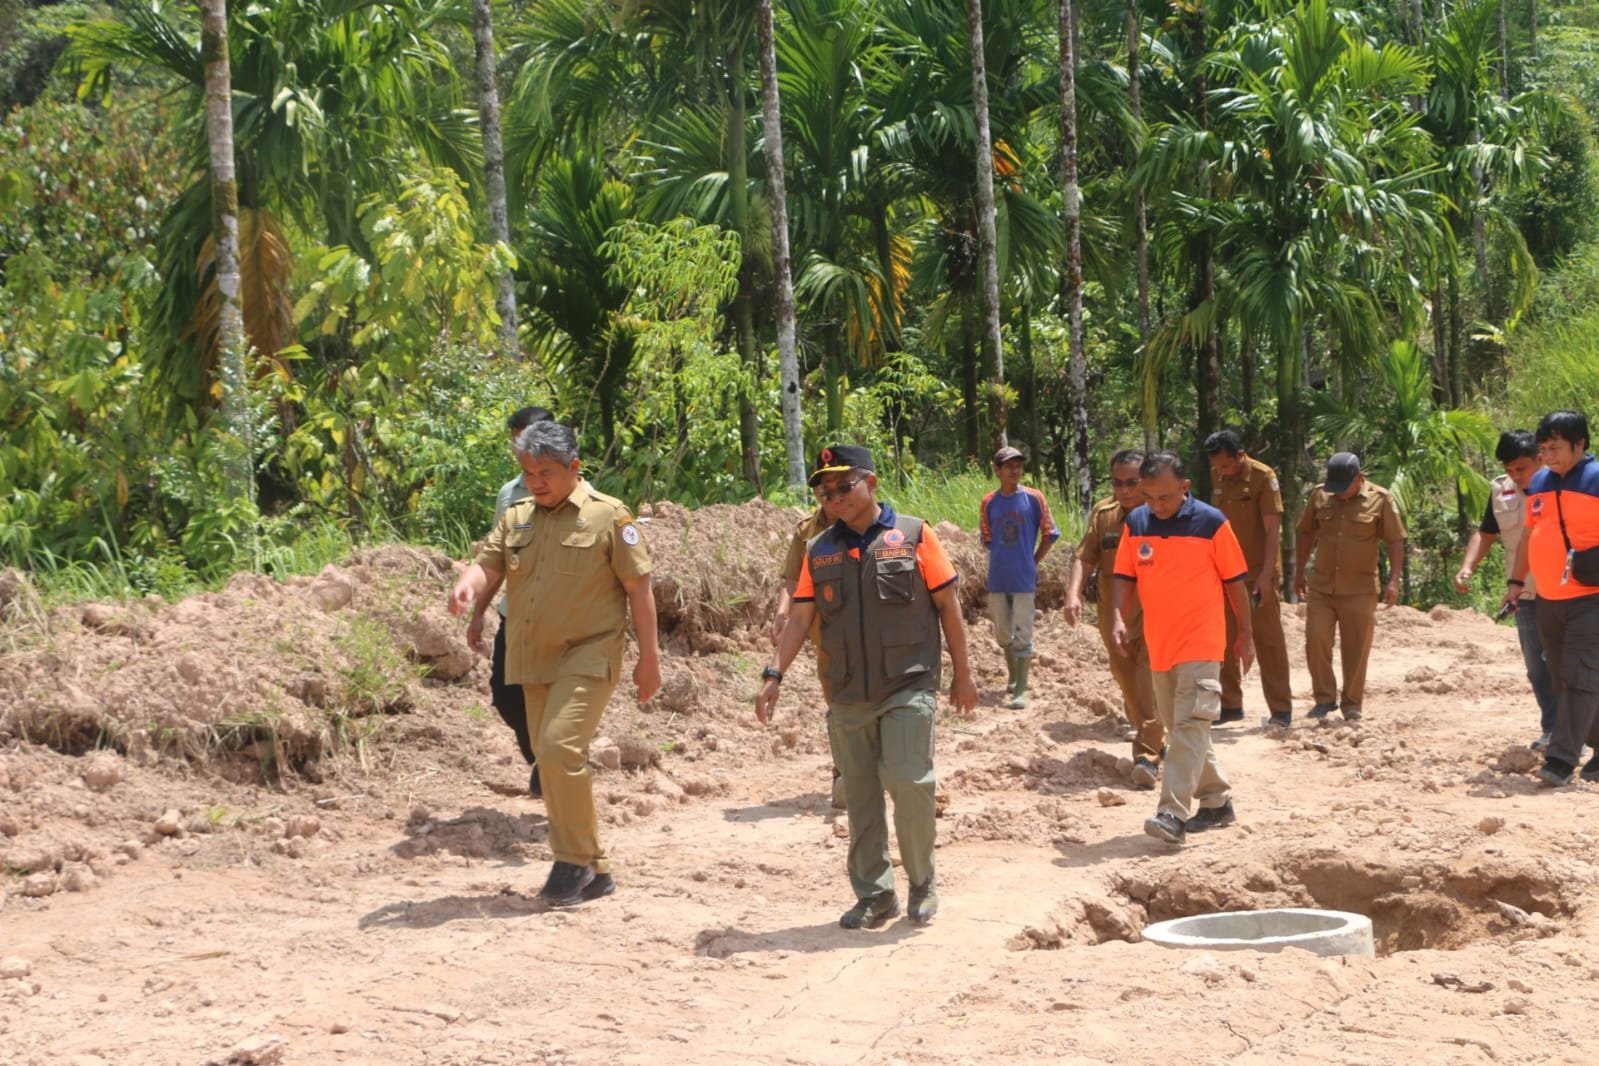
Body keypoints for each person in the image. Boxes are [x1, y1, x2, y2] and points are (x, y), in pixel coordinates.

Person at [755, 445, 978, 928]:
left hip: (908, 683)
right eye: (824, 491)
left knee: (907, 780)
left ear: (871, 483)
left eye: (843, 486)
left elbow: (948, 607)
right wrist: (774, 674)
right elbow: (800, 618)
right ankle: (875, 895)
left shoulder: (915, 535)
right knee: (859, 795)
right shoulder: (820, 550)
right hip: (847, 690)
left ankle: (922, 882)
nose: (834, 497)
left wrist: (963, 673)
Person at [448, 421, 662, 906]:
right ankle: (597, 867)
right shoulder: (518, 516)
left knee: (558, 745)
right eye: (527, 472)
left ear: (573, 468)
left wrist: (649, 659)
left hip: (589, 652)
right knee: (552, 756)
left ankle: (572, 861)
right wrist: (468, 582)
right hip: (532, 655)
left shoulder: (609, 517)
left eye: (546, 472)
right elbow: (489, 564)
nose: (536, 481)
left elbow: (639, 590)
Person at [1110, 451, 1253, 846]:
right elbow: (1124, 574)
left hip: (1202, 642)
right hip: (1161, 645)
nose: (1156, 506)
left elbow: (1235, 582)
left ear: (1185, 488)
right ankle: (1216, 800)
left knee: (1189, 725)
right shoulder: (1136, 523)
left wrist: (1246, 635)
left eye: (1165, 498)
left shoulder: (1211, 523)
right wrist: (1119, 617)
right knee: (1181, 727)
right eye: (1150, 497)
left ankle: (1172, 812)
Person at [1500, 410, 1599, 787]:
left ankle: (1560, 759)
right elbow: (1529, 536)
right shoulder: (1539, 482)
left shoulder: (1596, 478)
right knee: (1562, 677)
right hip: (1547, 598)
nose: (1547, 455)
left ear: (1580, 445)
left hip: (1591, 598)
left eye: (1555, 447)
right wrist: (1515, 581)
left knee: (1579, 675)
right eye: (1543, 448)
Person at [466, 405, 553, 796]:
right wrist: (479, 612)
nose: (521, 445)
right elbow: (496, 558)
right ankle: (541, 757)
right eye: (516, 438)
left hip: (560, 618)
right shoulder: (509, 495)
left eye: (528, 436)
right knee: (505, 696)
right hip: (515, 616)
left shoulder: (576, 491)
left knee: (553, 696)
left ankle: (556, 765)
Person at [1066, 449, 1162, 789]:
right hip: (1114, 617)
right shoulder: (1104, 515)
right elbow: (1085, 557)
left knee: (1148, 684)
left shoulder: (1162, 514)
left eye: (1132, 483)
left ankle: (1147, 757)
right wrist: (1073, 594)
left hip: (1155, 614)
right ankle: (1155, 741)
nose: (1124, 490)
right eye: (1118, 483)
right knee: (1127, 683)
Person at [1456, 430, 1558, 750]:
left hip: (1568, 591)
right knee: (1537, 667)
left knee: (1569, 663)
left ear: (1540, 459)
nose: (1516, 476)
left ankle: (1579, 733)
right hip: (1525, 593)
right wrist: (1467, 567)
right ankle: (1554, 730)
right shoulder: (1501, 491)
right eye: (1510, 469)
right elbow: (1485, 534)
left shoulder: (1564, 486)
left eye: (1522, 468)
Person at [1293, 452, 1405, 723]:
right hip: (1321, 586)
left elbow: (1395, 540)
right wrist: (1299, 572)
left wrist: (1393, 580)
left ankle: (1352, 704)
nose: (1339, 494)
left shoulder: (1381, 499)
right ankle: (1324, 699)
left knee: (1357, 648)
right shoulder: (1320, 496)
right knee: (1316, 639)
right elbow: (1306, 532)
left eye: (1344, 488)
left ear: (1360, 478)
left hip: (1360, 588)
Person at [1205, 431, 1294, 727]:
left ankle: (1281, 709)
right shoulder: (1217, 475)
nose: (1221, 472)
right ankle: (1230, 705)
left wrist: (1267, 577)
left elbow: (1272, 531)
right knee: (1225, 638)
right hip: (1225, 573)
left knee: (1267, 640)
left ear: (1239, 456)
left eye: (1226, 466)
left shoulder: (1262, 478)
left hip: (1257, 573)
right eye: (1217, 467)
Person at [772, 504, 848, 809]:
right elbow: (793, 579)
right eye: (824, 489)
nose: (831, 496)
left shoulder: (861, 521)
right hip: (824, 632)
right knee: (836, 700)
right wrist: (782, 613)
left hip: (866, 631)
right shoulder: (806, 532)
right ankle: (844, 772)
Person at [979, 445, 1060, 709]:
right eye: (1008, 466)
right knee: (1003, 630)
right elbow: (987, 537)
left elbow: (1050, 534)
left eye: (1018, 465)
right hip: (998, 577)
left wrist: (1032, 560)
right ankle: (1013, 676)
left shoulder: (1034, 498)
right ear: (997, 470)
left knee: (1023, 631)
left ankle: (1021, 691)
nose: (1015, 470)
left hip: (1025, 578)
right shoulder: (989, 502)